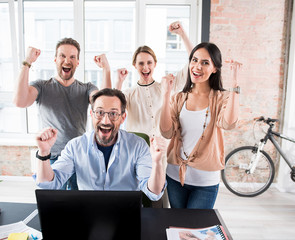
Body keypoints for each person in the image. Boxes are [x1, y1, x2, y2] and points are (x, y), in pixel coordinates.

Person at [34, 88, 166, 201]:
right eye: (100, 112)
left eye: (113, 114)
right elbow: (49, 185)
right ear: (91, 114)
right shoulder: (75, 146)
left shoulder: (138, 145)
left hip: (125, 215)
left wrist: (157, 162)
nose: (106, 120)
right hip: (88, 215)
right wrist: (44, 153)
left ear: (123, 118)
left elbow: (154, 193)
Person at [14, 38, 111, 190]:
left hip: (79, 157)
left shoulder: (86, 88)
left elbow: (105, 105)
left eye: (72, 57)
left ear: (77, 62)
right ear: (55, 59)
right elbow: (20, 101)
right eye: (62, 56)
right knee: (55, 206)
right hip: (51, 158)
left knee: (78, 205)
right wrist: (27, 62)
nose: (67, 60)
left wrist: (106, 69)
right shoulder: (42, 86)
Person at [114, 21, 193, 207]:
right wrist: (119, 81)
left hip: (163, 156)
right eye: (141, 63)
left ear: (155, 64)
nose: (145, 67)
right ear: (135, 65)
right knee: (138, 204)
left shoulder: (165, 87)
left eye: (149, 62)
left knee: (160, 205)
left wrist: (182, 35)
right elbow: (112, 104)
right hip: (136, 157)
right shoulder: (129, 94)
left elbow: (192, 64)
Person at [159, 42, 241, 209]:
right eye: (194, 60)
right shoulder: (178, 98)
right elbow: (166, 133)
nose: (197, 66)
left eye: (205, 62)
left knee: (196, 231)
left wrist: (235, 84)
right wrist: (166, 95)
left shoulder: (222, 97)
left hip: (205, 182)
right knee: (178, 227)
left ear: (215, 69)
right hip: (175, 177)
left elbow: (228, 123)